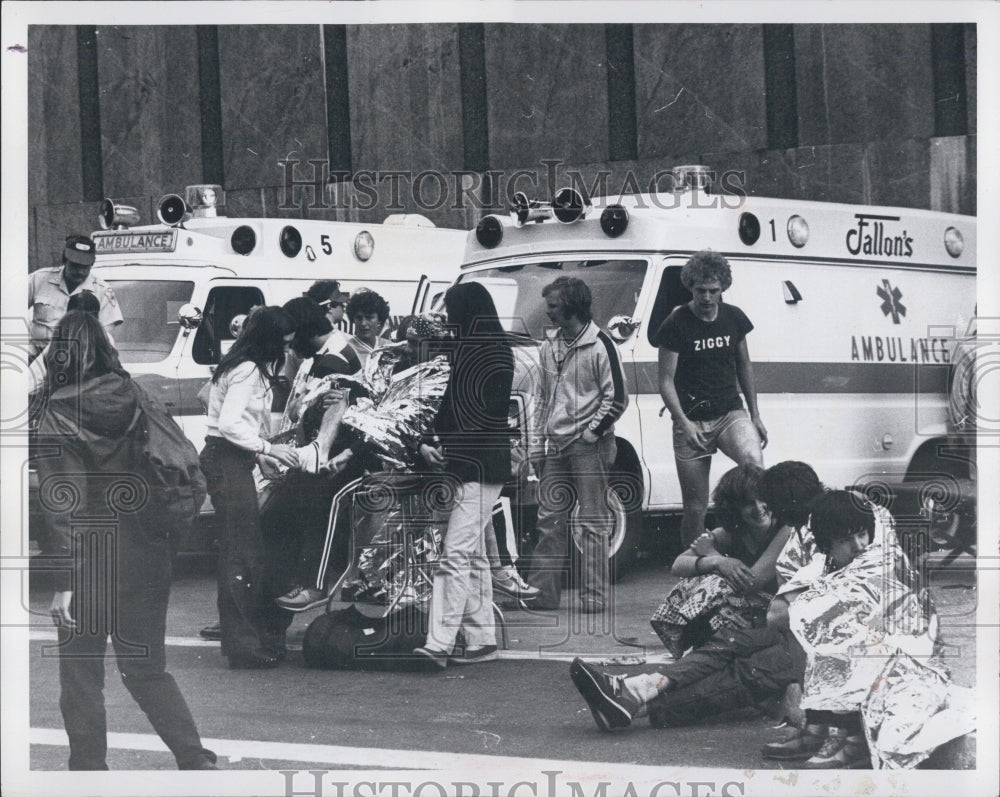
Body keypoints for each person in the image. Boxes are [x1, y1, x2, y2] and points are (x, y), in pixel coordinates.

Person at [567, 489, 895, 758]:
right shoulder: (815, 554)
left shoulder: (856, 561)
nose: (858, 546)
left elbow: (776, 597)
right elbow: (778, 614)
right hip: (788, 636)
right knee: (734, 643)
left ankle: (633, 699)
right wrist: (715, 559)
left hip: (829, 659)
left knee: (747, 671)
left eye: (862, 535)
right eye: (847, 539)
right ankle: (634, 691)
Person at [36, 311, 217, 770]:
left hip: (91, 558)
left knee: (81, 677)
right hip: (145, 550)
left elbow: (63, 506)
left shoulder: (59, 412)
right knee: (146, 669)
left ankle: (90, 773)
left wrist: (63, 580)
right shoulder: (137, 395)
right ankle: (195, 758)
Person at [414, 282, 514, 667]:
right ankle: (480, 638)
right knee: (470, 554)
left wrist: (439, 444)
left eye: (452, 312)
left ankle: (439, 642)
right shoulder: (491, 352)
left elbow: (476, 415)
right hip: (481, 463)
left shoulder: (476, 355)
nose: (448, 320)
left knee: (456, 552)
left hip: (475, 464)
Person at [199, 306, 301, 669]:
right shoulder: (248, 372)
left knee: (241, 552)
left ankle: (244, 641)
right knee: (241, 555)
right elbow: (229, 424)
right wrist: (268, 448)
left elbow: (231, 423)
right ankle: (243, 646)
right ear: (269, 341)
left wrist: (259, 457)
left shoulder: (238, 365)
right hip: (227, 460)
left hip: (229, 459)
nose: (287, 351)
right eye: (284, 344)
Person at [526, 276, 629, 614]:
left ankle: (595, 596)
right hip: (556, 445)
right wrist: (536, 445)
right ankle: (542, 593)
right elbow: (541, 398)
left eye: (553, 306)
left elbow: (617, 398)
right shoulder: (548, 346)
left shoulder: (601, 344)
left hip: (588, 445)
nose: (548, 312)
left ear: (571, 307)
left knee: (593, 521)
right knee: (549, 520)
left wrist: (591, 433)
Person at [653, 250, 767, 546]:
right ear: (691, 288)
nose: (706, 297)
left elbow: (744, 364)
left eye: (713, 291)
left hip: (730, 412)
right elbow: (665, 380)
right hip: (692, 417)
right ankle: (690, 567)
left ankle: (757, 546)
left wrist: (755, 414)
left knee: (755, 466)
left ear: (722, 289)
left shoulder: (734, 318)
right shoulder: (676, 323)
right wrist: (683, 422)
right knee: (695, 506)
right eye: (700, 290)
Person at [651, 463, 788, 656]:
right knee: (693, 582)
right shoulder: (733, 532)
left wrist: (712, 554)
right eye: (748, 503)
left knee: (716, 585)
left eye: (762, 499)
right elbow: (678, 565)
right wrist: (718, 562)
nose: (758, 508)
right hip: (745, 609)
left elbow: (751, 581)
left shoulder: (785, 531)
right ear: (735, 508)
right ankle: (689, 644)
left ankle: (706, 650)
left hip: (775, 614)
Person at [28, 234, 123, 360]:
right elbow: (10, 308)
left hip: (77, 362)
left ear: (92, 264)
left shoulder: (102, 290)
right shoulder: (39, 279)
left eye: (85, 267)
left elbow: (105, 333)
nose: (80, 271)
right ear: (65, 260)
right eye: (75, 265)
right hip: (36, 356)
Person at [345, 288, 391, 366]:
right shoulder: (347, 349)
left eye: (369, 318)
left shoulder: (389, 346)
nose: (363, 323)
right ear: (353, 319)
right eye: (359, 318)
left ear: (379, 319)